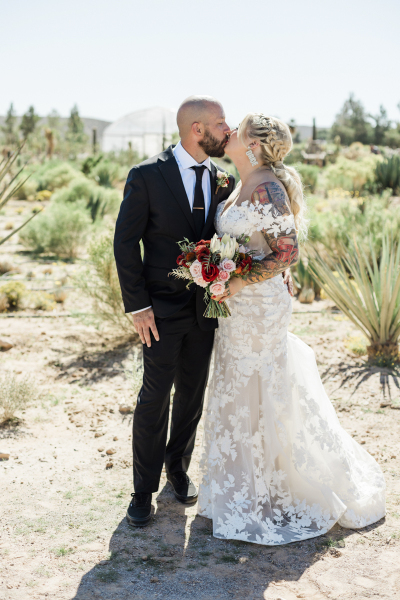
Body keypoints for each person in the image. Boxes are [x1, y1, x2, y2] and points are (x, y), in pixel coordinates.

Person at [197, 113, 386, 545]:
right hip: (236, 306)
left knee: (263, 384)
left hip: (260, 306)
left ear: (253, 146)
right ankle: (238, 487)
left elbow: (287, 253)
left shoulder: (267, 186)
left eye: (236, 130)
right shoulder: (239, 184)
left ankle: (278, 485)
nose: (227, 134)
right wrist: (215, 272)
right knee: (234, 384)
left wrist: (238, 279)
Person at [114, 95, 235, 526]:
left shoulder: (223, 179)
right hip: (159, 311)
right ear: (197, 130)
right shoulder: (147, 175)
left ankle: (177, 470)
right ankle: (142, 490)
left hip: (206, 309)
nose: (228, 129)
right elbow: (125, 243)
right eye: (221, 123)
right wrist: (138, 305)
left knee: (192, 393)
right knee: (154, 396)